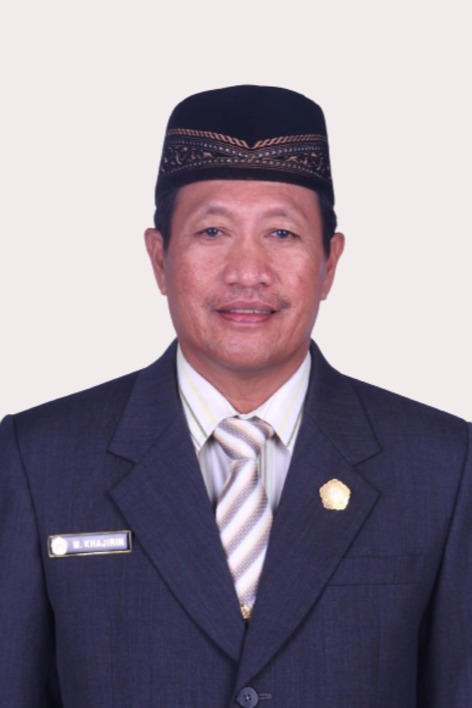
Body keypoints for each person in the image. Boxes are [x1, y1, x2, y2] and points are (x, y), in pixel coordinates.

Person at [0, 85, 471, 708]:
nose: (248, 272)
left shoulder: (442, 467)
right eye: (213, 230)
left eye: (281, 232)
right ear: (159, 257)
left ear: (329, 263)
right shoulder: (39, 460)